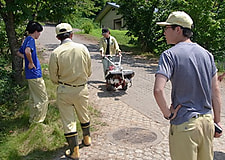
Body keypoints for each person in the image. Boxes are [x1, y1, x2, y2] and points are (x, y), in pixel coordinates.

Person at [153, 11, 223, 160]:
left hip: (185, 125)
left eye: (167, 28)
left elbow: (158, 90)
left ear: (178, 29)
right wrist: (217, 122)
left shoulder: (169, 55)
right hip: (207, 123)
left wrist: (168, 114)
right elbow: (215, 91)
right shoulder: (207, 54)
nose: (164, 32)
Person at [48, 23, 92, 160]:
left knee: (68, 121)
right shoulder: (83, 48)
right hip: (81, 88)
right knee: (83, 113)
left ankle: (74, 151)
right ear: (72, 35)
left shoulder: (56, 53)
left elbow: (53, 77)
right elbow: (89, 71)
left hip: (65, 89)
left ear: (57, 37)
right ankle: (87, 139)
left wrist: (61, 82)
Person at [19, 21, 48, 123]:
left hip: (29, 74)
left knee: (33, 98)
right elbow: (27, 51)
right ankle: (39, 121)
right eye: (39, 32)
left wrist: (27, 60)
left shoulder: (26, 39)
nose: (39, 34)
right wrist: (31, 62)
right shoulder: (31, 39)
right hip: (35, 74)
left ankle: (33, 119)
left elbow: (19, 53)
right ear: (35, 31)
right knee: (43, 98)